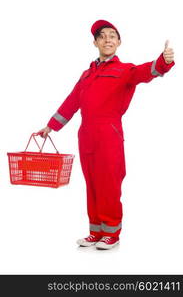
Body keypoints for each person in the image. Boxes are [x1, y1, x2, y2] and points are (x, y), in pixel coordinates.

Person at [38, 20, 175, 250]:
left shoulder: (124, 70)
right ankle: (96, 231)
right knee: (92, 183)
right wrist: (51, 126)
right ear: (95, 42)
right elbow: (71, 103)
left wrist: (163, 62)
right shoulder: (86, 75)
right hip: (86, 136)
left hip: (108, 135)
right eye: (102, 36)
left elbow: (146, 71)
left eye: (113, 36)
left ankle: (112, 233)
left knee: (109, 183)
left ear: (119, 42)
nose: (108, 39)